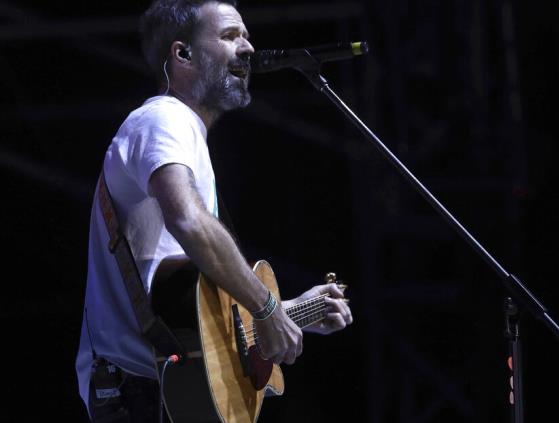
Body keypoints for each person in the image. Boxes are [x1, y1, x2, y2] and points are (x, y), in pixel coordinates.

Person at [75, 1, 353, 421]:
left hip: (165, 391)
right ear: (183, 54)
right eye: (229, 36)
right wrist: (268, 308)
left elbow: (193, 315)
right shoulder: (163, 119)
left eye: (246, 35)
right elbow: (188, 221)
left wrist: (292, 310)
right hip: (140, 396)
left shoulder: (184, 134)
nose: (248, 47)